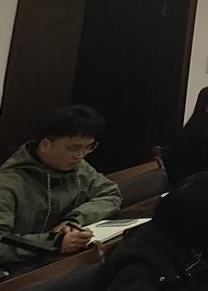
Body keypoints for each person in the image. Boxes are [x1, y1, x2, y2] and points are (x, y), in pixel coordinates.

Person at [0, 104, 121, 263]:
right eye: (73, 148)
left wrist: (75, 220)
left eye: (88, 147)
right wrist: (54, 243)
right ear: (45, 145)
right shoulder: (8, 183)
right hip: (19, 269)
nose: (80, 155)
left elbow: (110, 194)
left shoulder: (79, 168)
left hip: (56, 261)